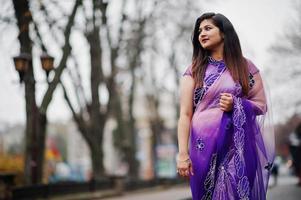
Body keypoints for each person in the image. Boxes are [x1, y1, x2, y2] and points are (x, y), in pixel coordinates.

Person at [176, 12, 275, 199]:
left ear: (223, 33)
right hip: (202, 147)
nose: (202, 34)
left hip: (237, 146)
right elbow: (185, 115)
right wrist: (182, 154)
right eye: (199, 31)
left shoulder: (246, 68)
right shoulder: (194, 71)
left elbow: (261, 105)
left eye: (208, 28)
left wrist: (237, 104)